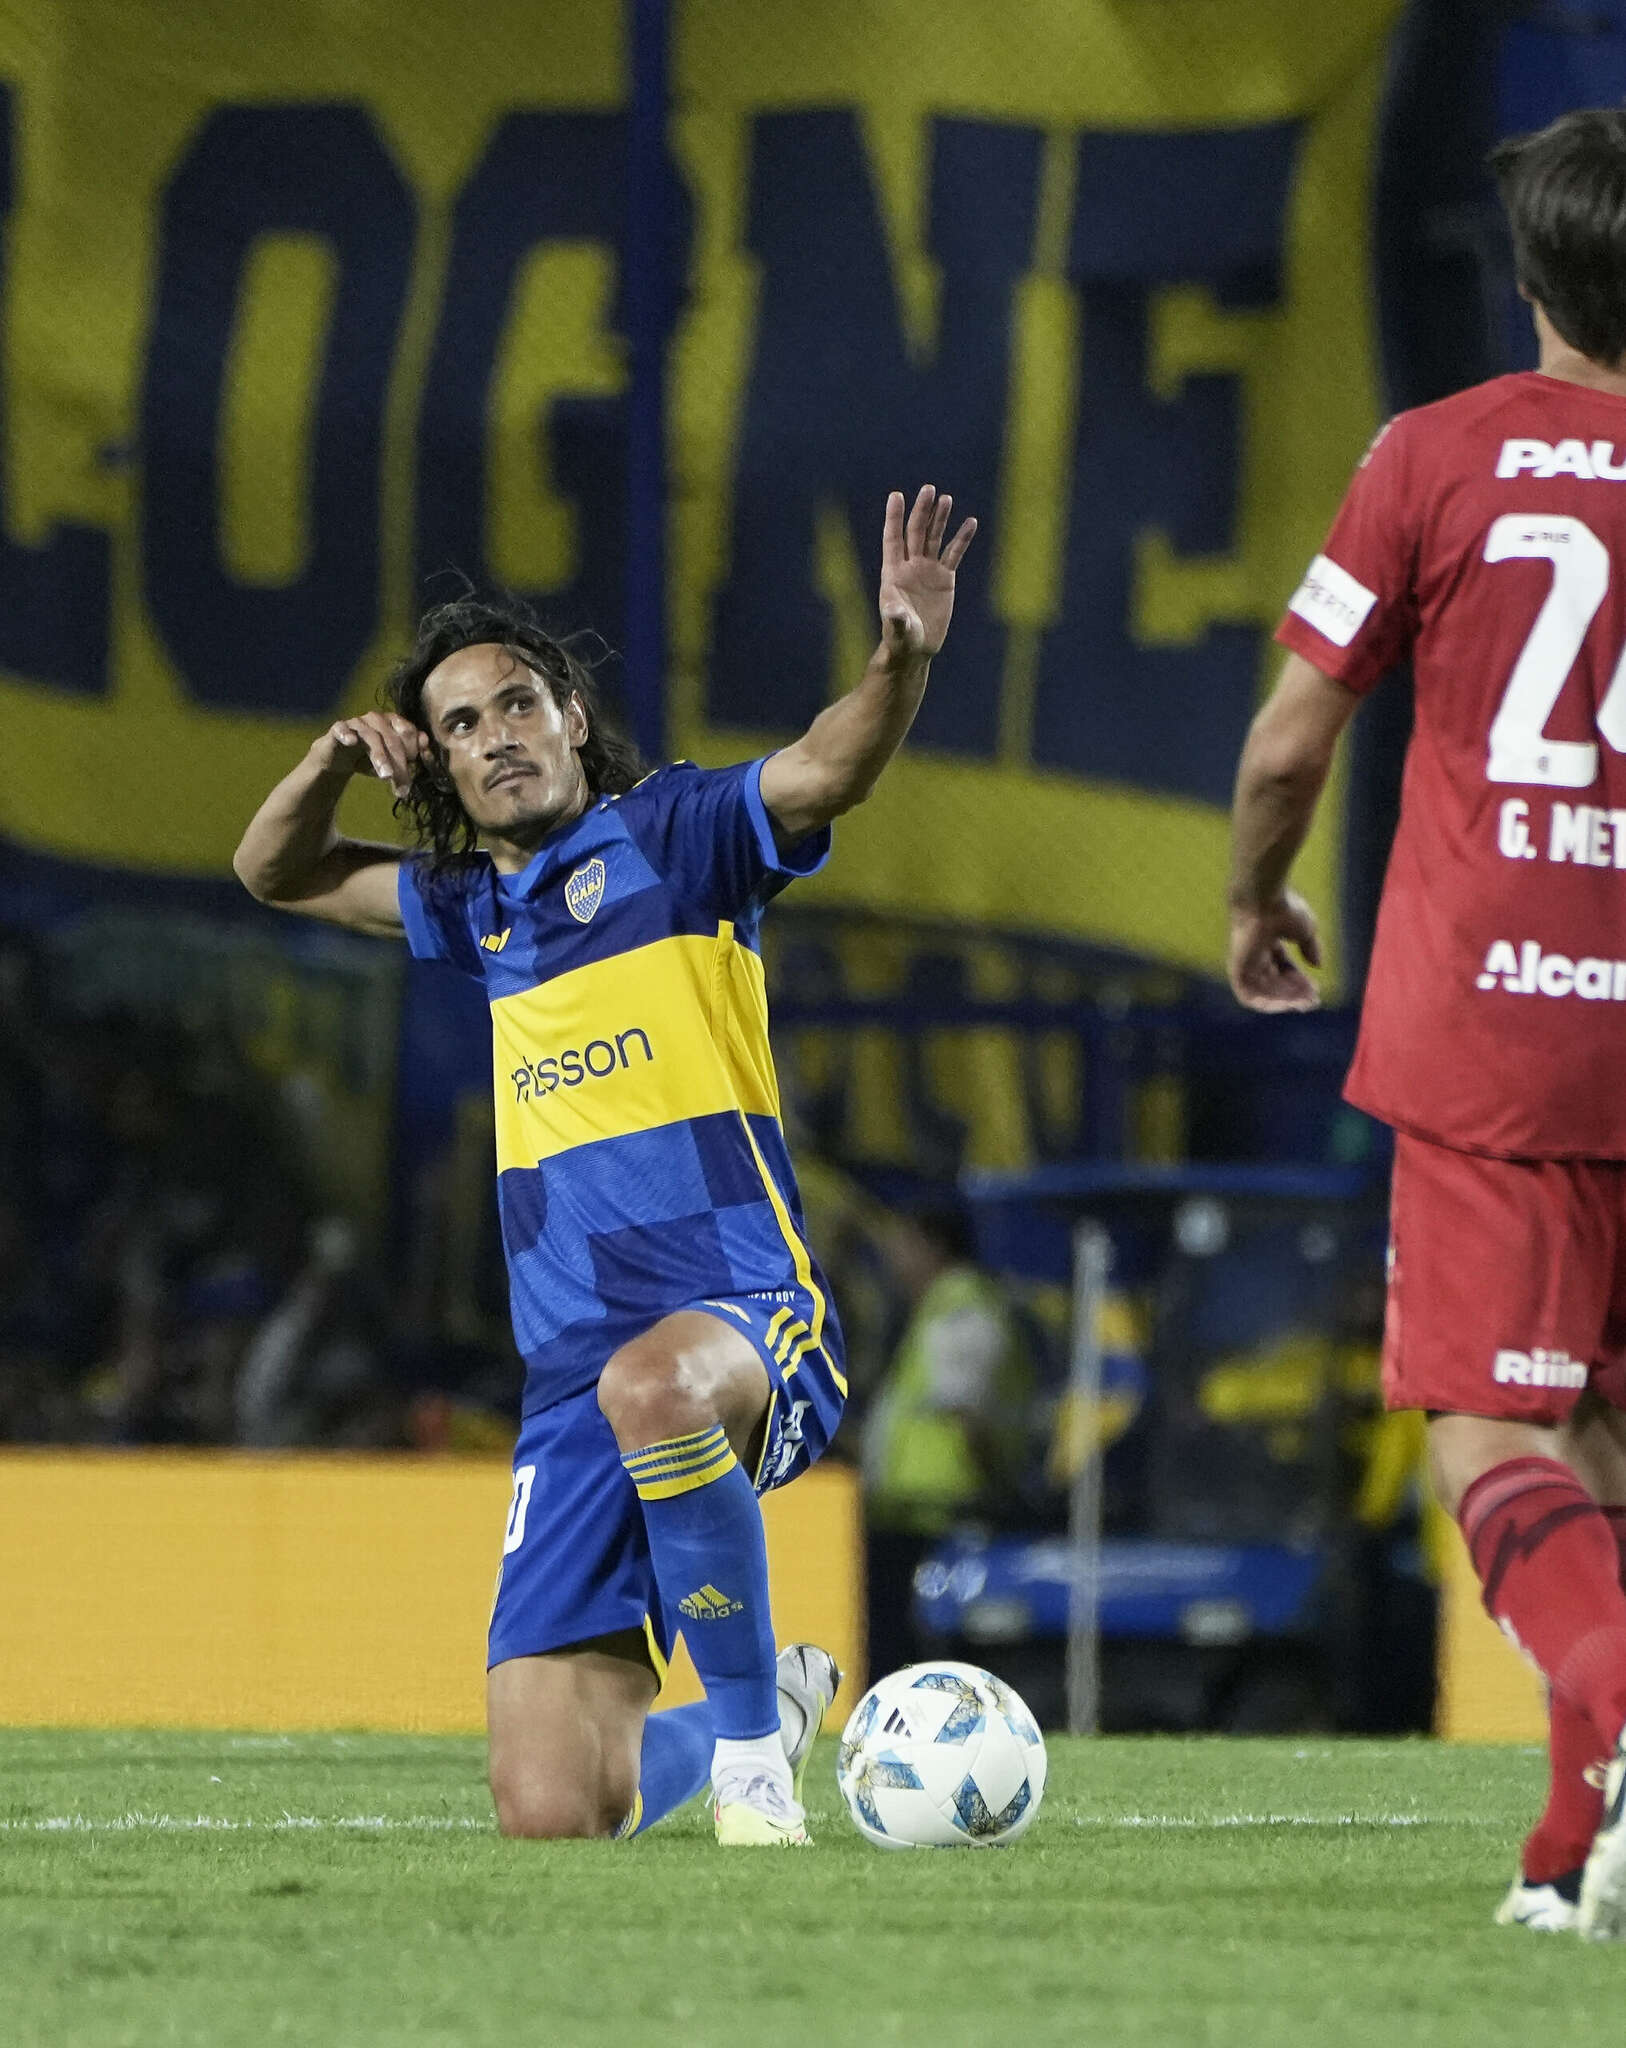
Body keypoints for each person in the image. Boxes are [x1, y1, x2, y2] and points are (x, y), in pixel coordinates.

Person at [234, 485, 977, 1846]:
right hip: (571, 1377)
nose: (497, 736)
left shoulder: (676, 839)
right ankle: (765, 1709)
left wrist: (900, 662)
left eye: (517, 703)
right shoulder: (471, 912)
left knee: (656, 1382)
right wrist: (335, 757)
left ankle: (751, 1765)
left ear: (571, 718)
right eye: (462, 725)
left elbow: (825, 770)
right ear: (440, 767)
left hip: (742, 1316)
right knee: (552, 1809)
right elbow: (273, 871)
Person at [1228, 106, 1626, 1939]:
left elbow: (1288, 742)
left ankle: (1614, 1707)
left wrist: (1255, 895)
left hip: (1492, 1038)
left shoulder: (1432, 454)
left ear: (1525, 277)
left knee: (1486, 1433)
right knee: (1598, 1449)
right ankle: (1566, 1856)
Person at [861, 1201, 1039, 1675]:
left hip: (938, 1518)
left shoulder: (961, 1309)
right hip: (914, 1512)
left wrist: (996, 1492)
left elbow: (969, 1414)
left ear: (932, 1246)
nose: (894, 1260)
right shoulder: (939, 1309)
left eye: (903, 1245)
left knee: (917, 1651)